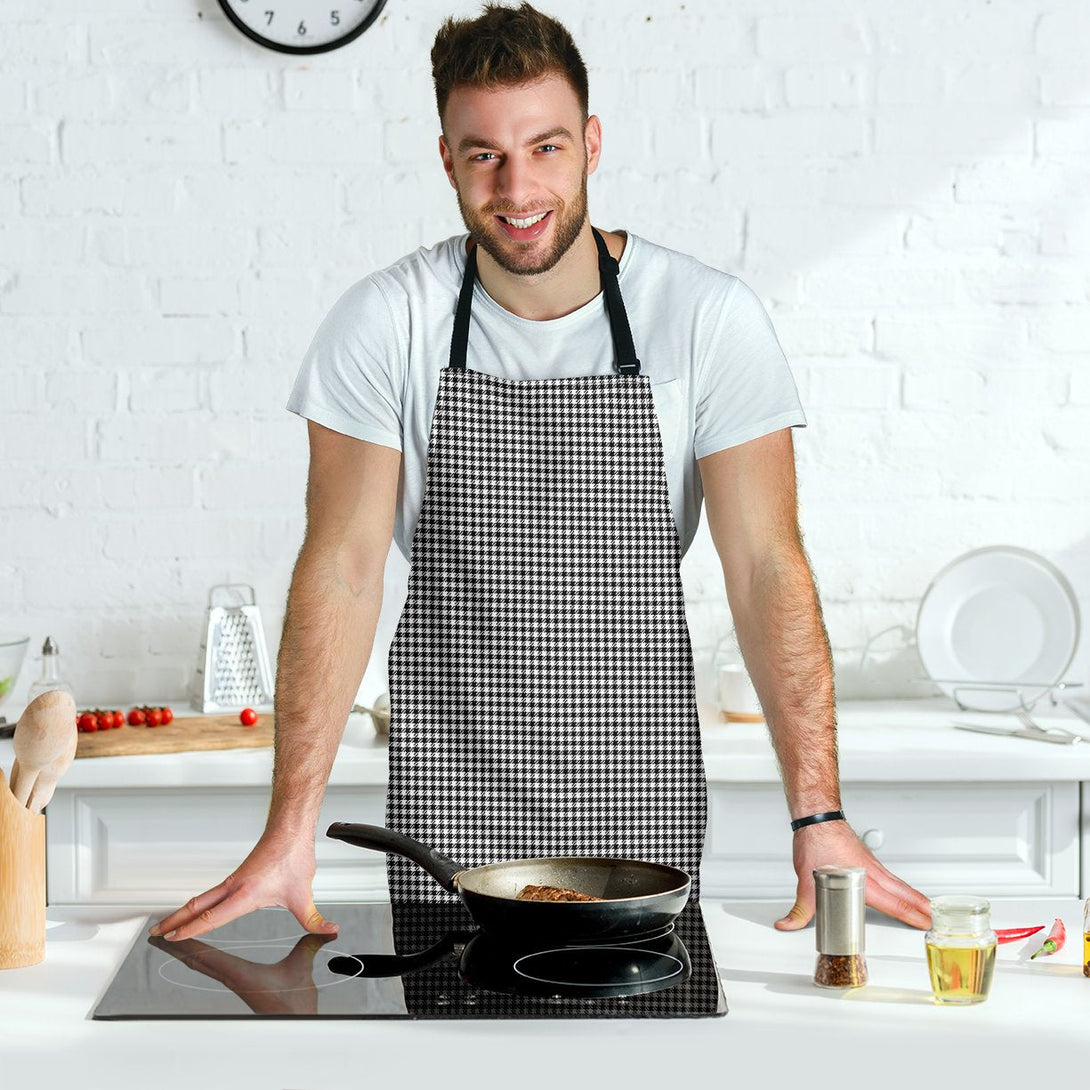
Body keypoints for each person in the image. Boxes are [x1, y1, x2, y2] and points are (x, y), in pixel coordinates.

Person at [152, 2, 931, 943]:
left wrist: (819, 814)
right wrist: (289, 829)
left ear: (592, 144)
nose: (517, 186)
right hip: (451, 817)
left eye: (546, 147)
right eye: (483, 153)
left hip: (640, 816)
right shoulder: (386, 321)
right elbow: (343, 570)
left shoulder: (706, 319)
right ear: (446, 159)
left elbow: (767, 565)